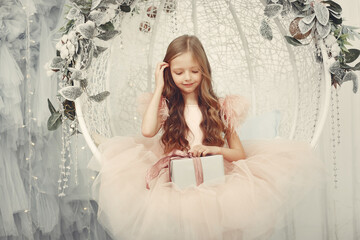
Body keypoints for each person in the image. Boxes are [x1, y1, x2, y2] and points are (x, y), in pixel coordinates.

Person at [91, 35, 324, 240]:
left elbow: (239, 154)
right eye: (178, 72)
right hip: (176, 180)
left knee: (213, 224)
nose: (187, 78)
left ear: (204, 70)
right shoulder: (166, 106)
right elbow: (147, 131)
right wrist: (159, 86)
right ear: (168, 72)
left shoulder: (221, 108)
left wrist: (215, 150)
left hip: (213, 177)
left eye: (194, 71)